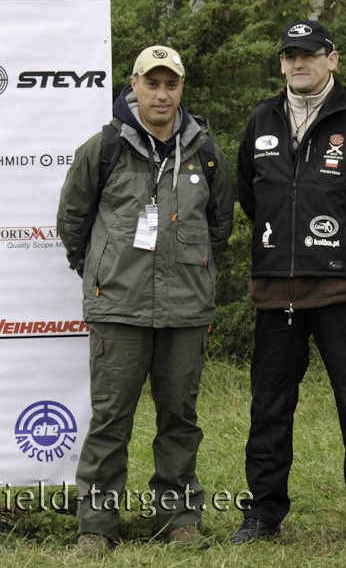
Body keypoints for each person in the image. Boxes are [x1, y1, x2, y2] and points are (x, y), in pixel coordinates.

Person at [232, 19, 346, 546]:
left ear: (331, 59)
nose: (298, 64)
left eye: (309, 54)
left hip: (342, 292)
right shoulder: (262, 120)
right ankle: (263, 515)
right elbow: (252, 194)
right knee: (269, 406)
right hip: (275, 293)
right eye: (290, 56)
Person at [57, 45, 234, 557]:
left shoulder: (205, 151)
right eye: (151, 83)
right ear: (133, 84)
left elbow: (219, 224)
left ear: (182, 89)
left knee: (180, 417)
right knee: (111, 418)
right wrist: (103, 272)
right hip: (119, 306)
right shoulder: (104, 148)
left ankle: (178, 518)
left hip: (185, 307)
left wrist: (190, 266)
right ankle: (96, 525)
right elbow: (74, 223)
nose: (161, 94)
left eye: (171, 84)